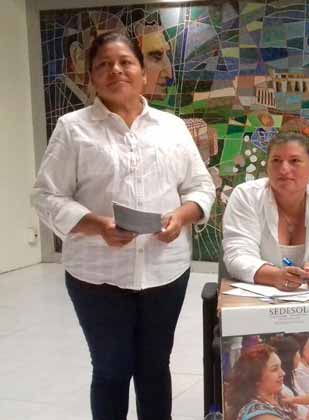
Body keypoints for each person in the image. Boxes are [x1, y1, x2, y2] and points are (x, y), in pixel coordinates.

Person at [31, 32, 215, 420]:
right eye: (103, 64)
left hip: (164, 270)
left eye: (126, 62)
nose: (115, 70)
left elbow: (200, 186)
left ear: (143, 73)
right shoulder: (73, 128)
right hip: (96, 275)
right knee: (111, 370)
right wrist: (97, 225)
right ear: (91, 77)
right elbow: (46, 196)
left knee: (154, 368)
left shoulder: (171, 127)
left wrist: (182, 216)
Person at [222, 131, 309, 290]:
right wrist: (275, 276)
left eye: (295, 161)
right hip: (259, 296)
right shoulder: (246, 195)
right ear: (267, 167)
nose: (284, 169)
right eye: (276, 161)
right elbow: (237, 255)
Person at [226, 344, 309, 420]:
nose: (283, 373)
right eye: (274, 369)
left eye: (280, 367)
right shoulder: (259, 413)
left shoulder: (280, 399)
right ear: (256, 378)